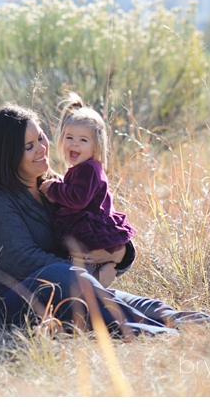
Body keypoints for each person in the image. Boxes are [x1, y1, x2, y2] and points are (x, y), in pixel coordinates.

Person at [0, 104, 210, 337]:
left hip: (68, 283)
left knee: (142, 303)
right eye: (28, 146)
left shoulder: (54, 187)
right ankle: (159, 334)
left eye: (41, 138)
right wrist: (89, 274)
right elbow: (27, 263)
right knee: (67, 281)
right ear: (7, 155)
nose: (42, 148)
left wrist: (120, 254)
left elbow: (98, 227)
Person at [38, 93, 136, 287]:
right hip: (86, 228)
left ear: (95, 146)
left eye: (83, 140)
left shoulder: (90, 169)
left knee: (81, 262)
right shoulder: (80, 169)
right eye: (69, 137)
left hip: (90, 228)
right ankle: (102, 275)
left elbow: (79, 199)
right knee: (82, 262)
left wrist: (54, 189)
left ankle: (98, 283)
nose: (75, 143)